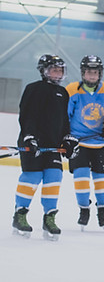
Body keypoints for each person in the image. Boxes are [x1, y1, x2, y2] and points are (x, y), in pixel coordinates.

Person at [12, 54, 79, 240]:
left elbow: (64, 121)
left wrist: (68, 139)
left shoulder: (63, 93)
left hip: (53, 146)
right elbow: (26, 116)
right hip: (32, 143)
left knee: (54, 177)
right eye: (53, 69)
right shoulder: (33, 89)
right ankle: (20, 214)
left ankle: (49, 217)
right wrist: (29, 137)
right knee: (32, 177)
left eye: (60, 70)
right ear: (43, 70)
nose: (57, 74)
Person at [65, 55, 104, 231]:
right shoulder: (72, 90)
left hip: (101, 143)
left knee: (101, 179)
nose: (92, 75)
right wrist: (65, 137)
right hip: (79, 143)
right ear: (83, 73)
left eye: (95, 72)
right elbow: (64, 116)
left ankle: (102, 210)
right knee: (81, 178)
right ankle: (84, 210)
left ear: (100, 74)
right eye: (89, 72)